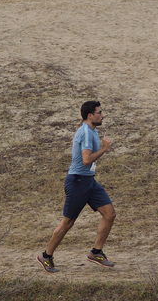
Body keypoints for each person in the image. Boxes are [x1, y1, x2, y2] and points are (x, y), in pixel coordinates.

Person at [37, 101, 116, 273]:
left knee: (109, 214)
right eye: (99, 112)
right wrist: (104, 149)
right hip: (77, 182)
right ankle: (46, 255)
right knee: (68, 222)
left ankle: (96, 252)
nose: (102, 115)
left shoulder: (92, 131)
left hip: (89, 181)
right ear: (90, 115)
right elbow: (87, 160)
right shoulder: (86, 133)